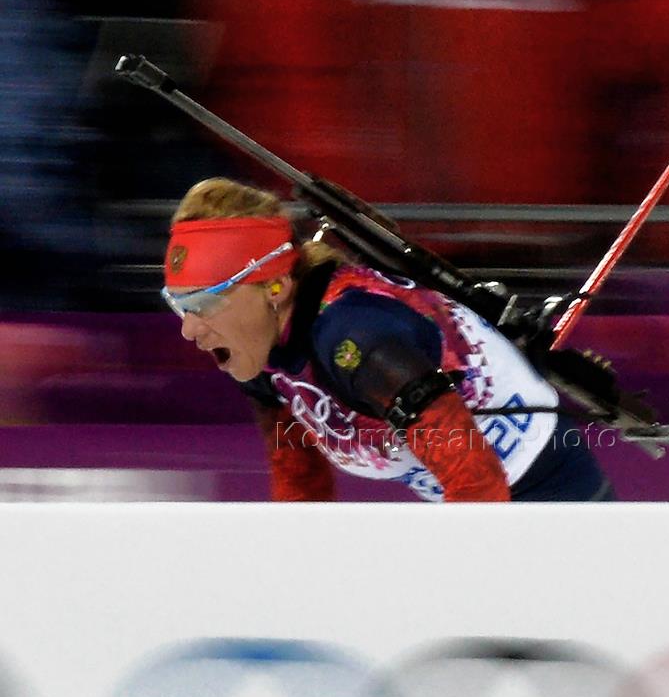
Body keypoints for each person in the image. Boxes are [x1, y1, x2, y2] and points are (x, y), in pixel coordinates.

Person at [163, 178, 614, 502]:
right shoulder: (261, 353)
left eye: (205, 303)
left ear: (275, 287)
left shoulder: (357, 338)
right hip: (481, 509)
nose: (189, 329)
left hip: (555, 503)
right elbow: (300, 486)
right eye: (179, 304)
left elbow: (479, 488)